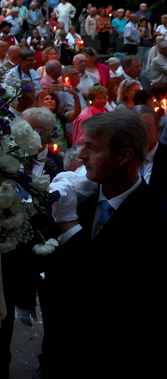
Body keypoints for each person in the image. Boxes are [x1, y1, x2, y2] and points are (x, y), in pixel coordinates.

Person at [48, 111, 167, 378]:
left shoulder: (157, 218)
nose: (80, 157)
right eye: (82, 146)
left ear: (124, 156)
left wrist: (69, 225)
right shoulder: (82, 201)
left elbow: (107, 286)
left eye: (92, 148)